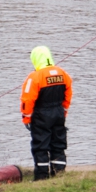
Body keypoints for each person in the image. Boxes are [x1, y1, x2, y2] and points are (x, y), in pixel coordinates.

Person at [21, 46, 73, 180]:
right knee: (58, 144)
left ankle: (41, 176)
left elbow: (27, 99)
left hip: (41, 115)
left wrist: (26, 118)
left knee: (41, 146)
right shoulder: (62, 73)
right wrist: (64, 112)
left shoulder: (35, 77)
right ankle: (59, 174)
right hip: (58, 113)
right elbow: (68, 94)